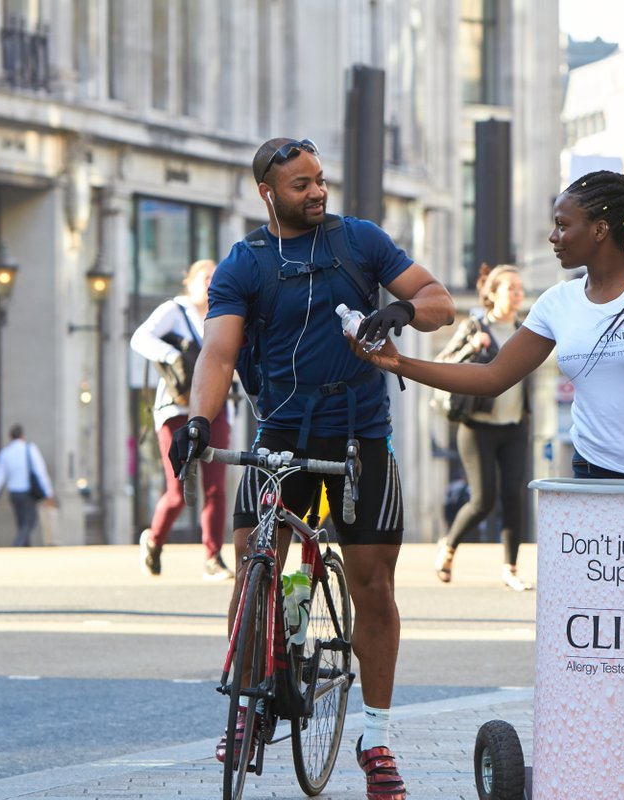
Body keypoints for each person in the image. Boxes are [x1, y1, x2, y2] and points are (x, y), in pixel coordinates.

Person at [351, 169, 624, 800]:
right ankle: (608, 744)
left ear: (602, 229)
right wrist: (398, 364)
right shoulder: (559, 303)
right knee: (600, 624)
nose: (554, 236)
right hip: (594, 482)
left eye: (564, 225)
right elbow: (492, 379)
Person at [170, 136, 454, 799]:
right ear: (268, 193)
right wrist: (197, 420)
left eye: (320, 179)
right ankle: (249, 705)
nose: (317, 191)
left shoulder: (359, 241)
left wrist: (402, 309)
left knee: (373, 588)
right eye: (301, 185)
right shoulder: (244, 262)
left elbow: (440, 300)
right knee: (251, 567)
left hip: (360, 440)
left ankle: (376, 737)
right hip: (278, 437)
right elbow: (217, 352)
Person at [432, 264, 533, 591]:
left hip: (515, 424)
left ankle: (510, 568)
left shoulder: (526, 329)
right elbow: (445, 363)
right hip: (478, 428)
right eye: (511, 288)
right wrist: (472, 347)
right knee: (484, 500)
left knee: (513, 496)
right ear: (493, 293)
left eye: (520, 288)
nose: (518, 294)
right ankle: (449, 545)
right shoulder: (475, 325)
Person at [130, 259, 233, 580]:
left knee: (216, 486)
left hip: (216, 409)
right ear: (189, 282)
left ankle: (213, 557)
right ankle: (155, 540)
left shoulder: (224, 315)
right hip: (176, 409)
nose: (210, 283)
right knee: (177, 489)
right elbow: (140, 338)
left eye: (216, 278)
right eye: (205, 277)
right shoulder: (174, 310)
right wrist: (173, 355)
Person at [0, 424, 55, 547]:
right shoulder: (30, 449)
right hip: (26, 493)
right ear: (22, 436)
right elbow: (40, 471)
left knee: (22, 523)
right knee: (29, 522)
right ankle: (16, 547)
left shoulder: (5, 453)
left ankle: (24, 551)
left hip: (14, 493)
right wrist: (48, 493)